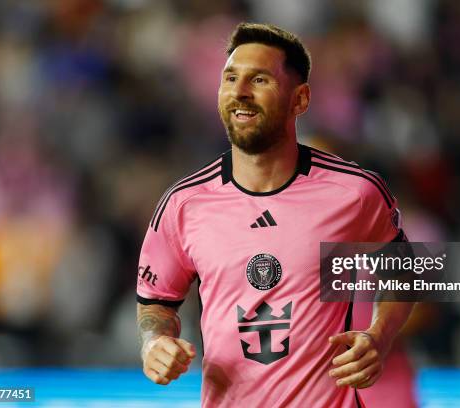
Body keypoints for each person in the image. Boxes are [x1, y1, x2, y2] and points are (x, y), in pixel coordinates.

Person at [136, 22, 414, 407]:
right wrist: (155, 342)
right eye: (230, 77)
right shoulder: (184, 204)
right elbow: (156, 300)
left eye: (260, 79)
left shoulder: (355, 193)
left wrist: (379, 336)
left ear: (300, 99)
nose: (240, 91)